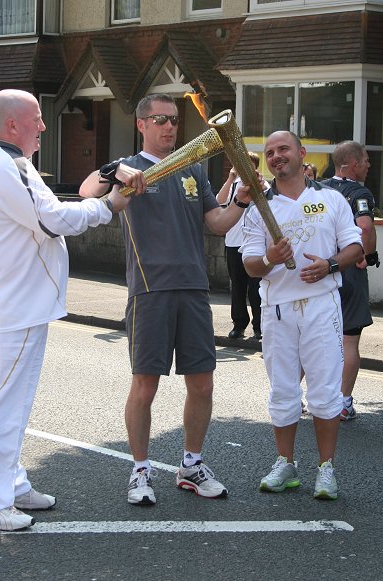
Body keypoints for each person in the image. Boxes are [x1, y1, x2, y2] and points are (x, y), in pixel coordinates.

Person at [0, 89, 145, 531]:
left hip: (19, 306)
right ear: (12, 125)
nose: (44, 126)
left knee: (15, 404)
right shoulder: (5, 167)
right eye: (38, 119)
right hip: (11, 307)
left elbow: (51, 209)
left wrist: (104, 185)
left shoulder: (14, 165)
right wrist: (107, 206)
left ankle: (10, 482)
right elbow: (52, 219)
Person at [80, 93, 251, 505]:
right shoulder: (130, 169)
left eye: (173, 120)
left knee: (203, 384)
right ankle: (140, 470)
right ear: (141, 124)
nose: (170, 127)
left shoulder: (193, 169)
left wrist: (243, 199)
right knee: (145, 386)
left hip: (193, 289)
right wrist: (113, 170)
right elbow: (87, 192)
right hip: (149, 290)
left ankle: (191, 466)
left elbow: (218, 223)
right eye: (160, 120)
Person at [241, 131, 363, 500]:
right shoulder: (260, 208)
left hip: (322, 306)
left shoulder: (331, 199)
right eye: (270, 152)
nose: (277, 156)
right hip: (277, 310)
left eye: (284, 149)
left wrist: (329, 265)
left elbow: (354, 244)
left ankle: (326, 469)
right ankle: (285, 463)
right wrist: (269, 260)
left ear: (301, 153)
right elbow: (249, 264)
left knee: (326, 392)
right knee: (282, 391)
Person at [322, 141, 379, 421]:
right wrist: (366, 255)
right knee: (349, 341)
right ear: (353, 163)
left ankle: (294, 399)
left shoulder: (316, 189)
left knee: (313, 338)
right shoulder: (359, 192)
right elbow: (365, 226)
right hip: (350, 273)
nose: (369, 165)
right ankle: (343, 403)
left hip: (322, 271)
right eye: (366, 160)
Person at [216, 154, 264, 340]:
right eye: (241, 167)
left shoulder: (263, 186)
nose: (243, 171)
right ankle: (239, 324)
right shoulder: (234, 185)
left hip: (255, 245)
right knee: (237, 287)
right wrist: (230, 178)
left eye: (248, 167)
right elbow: (219, 201)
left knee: (256, 288)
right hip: (234, 243)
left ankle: (259, 326)